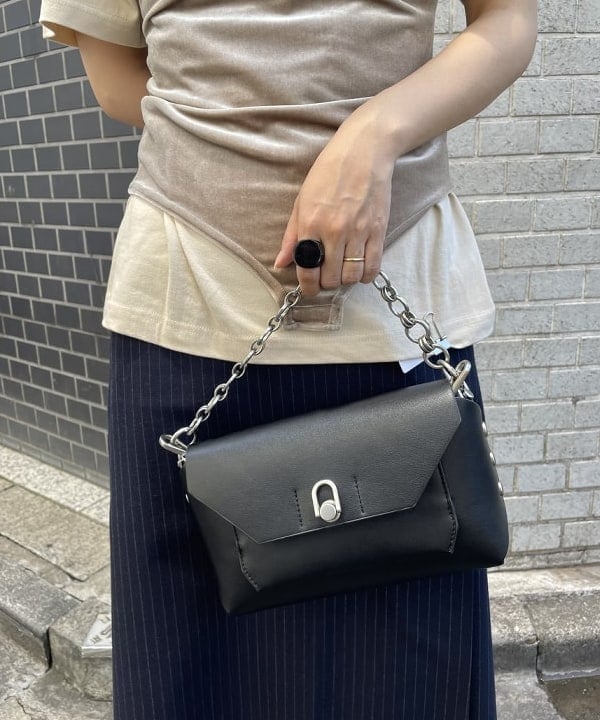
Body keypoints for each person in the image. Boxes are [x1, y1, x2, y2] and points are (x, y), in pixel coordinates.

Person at [39, 1, 537, 718]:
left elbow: (508, 22)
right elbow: (117, 84)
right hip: (193, 299)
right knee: (216, 658)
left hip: (322, 295)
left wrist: (371, 134)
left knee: (216, 672)